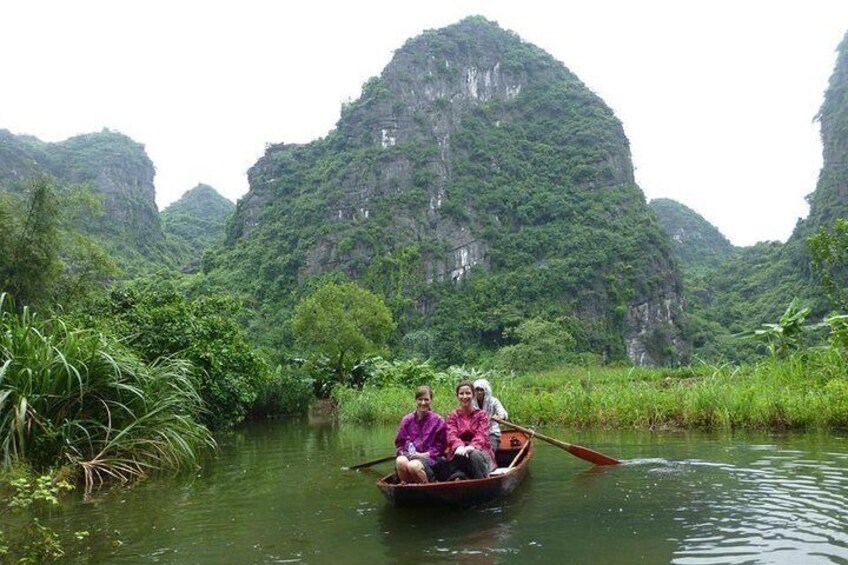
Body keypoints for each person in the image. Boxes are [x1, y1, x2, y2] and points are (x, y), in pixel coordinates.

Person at [394, 385, 446, 483]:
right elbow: (399, 443)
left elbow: (441, 446)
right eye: (420, 399)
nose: (423, 403)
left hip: (430, 459)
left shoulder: (438, 421)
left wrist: (425, 454)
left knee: (413, 466)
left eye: (426, 399)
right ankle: (408, 487)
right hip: (410, 456)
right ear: (416, 400)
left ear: (431, 400)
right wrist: (404, 453)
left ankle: (428, 488)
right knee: (400, 461)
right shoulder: (407, 420)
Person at [445, 381, 497, 480]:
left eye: (468, 393)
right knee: (454, 458)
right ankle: (459, 478)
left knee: (474, 455)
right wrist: (459, 446)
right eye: (461, 393)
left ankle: (482, 482)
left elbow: (482, 435)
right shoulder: (453, 416)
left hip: (480, 450)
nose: (464, 396)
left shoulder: (482, 415)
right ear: (457, 396)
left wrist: (472, 446)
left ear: (473, 395)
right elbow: (451, 434)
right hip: (460, 451)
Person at [473, 378, 508, 452]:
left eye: (481, 390)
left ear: (486, 391)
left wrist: (500, 417)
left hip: (491, 433)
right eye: (477, 390)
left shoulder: (494, 401)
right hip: (475, 433)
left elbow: (503, 413)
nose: (479, 392)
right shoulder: (471, 402)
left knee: (489, 449)